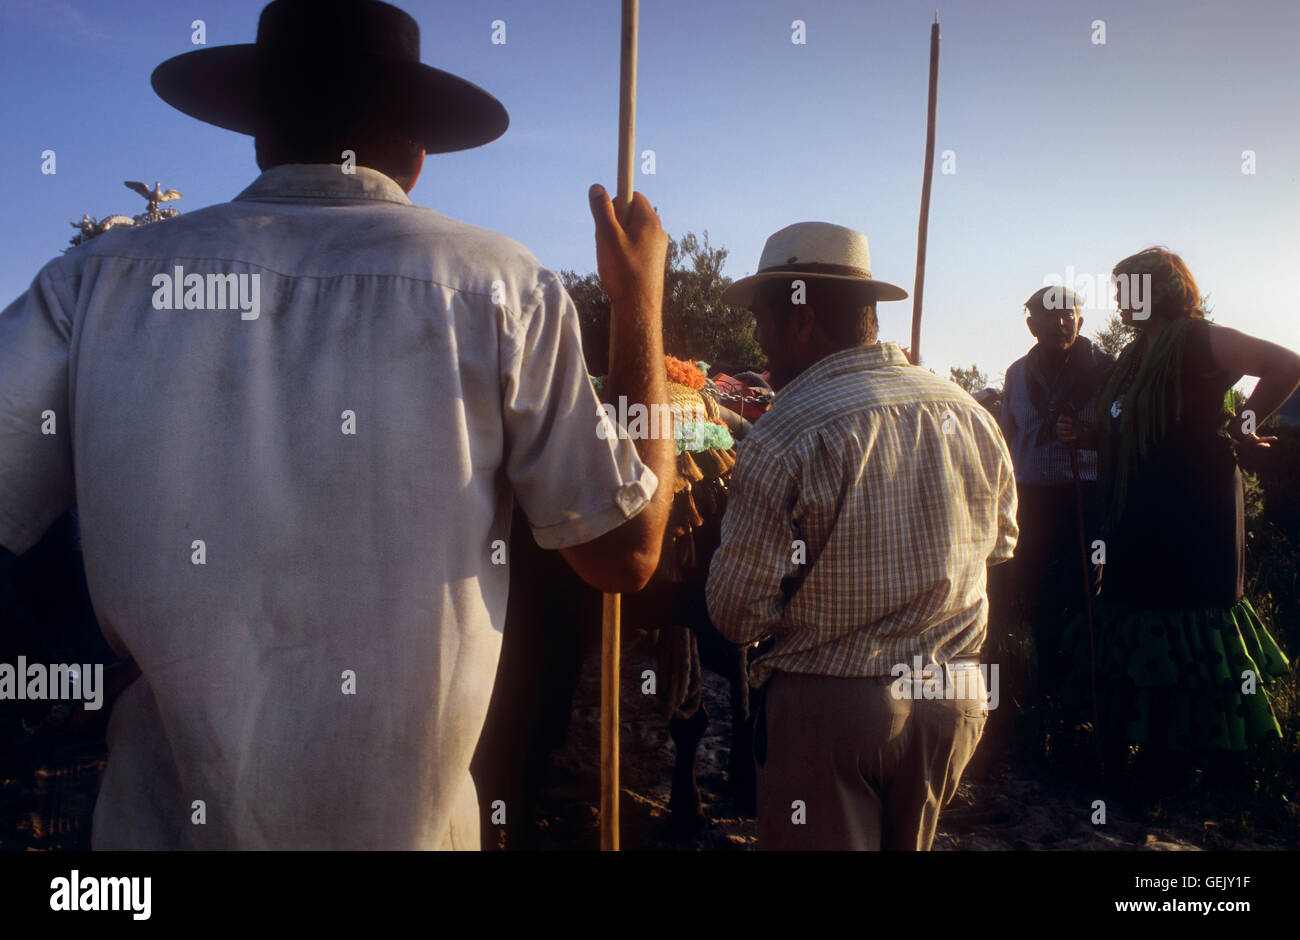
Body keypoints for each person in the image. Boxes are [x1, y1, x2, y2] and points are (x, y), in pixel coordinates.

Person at [0, 0, 675, 849]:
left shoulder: (95, 283)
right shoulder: (503, 286)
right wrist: (639, 304)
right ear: (420, 152)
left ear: (258, 133)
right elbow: (627, 552)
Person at [706, 221, 1018, 850]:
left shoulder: (782, 435)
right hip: (951, 705)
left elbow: (737, 615)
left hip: (837, 714)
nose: (758, 341)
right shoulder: (969, 412)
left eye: (762, 322)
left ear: (801, 320)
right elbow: (1002, 544)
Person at [1057, 246, 1299, 795]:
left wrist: (1244, 424)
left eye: (1126, 289)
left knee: (1188, 616)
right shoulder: (1137, 353)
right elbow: (1135, 426)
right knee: (1144, 613)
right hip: (1141, 510)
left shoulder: (1198, 337)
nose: (1117, 300)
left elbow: (1288, 364)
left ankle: (1209, 763)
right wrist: (1091, 436)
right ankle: (1153, 753)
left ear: (1156, 290)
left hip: (1196, 508)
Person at [998, 287, 1112, 726]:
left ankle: (1084, 699)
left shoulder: (1105, 371)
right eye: (1049, 316)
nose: (1060, 322)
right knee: (1038, 595)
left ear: (1081, 322)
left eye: (1069, 315)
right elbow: (1008, 437)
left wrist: (1087, 436)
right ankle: (1047, 692)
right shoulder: (1015, 374)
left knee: (1084, 593)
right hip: (1031, 498)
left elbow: (1125, 433)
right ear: (1032, 326)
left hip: (1084, 496)